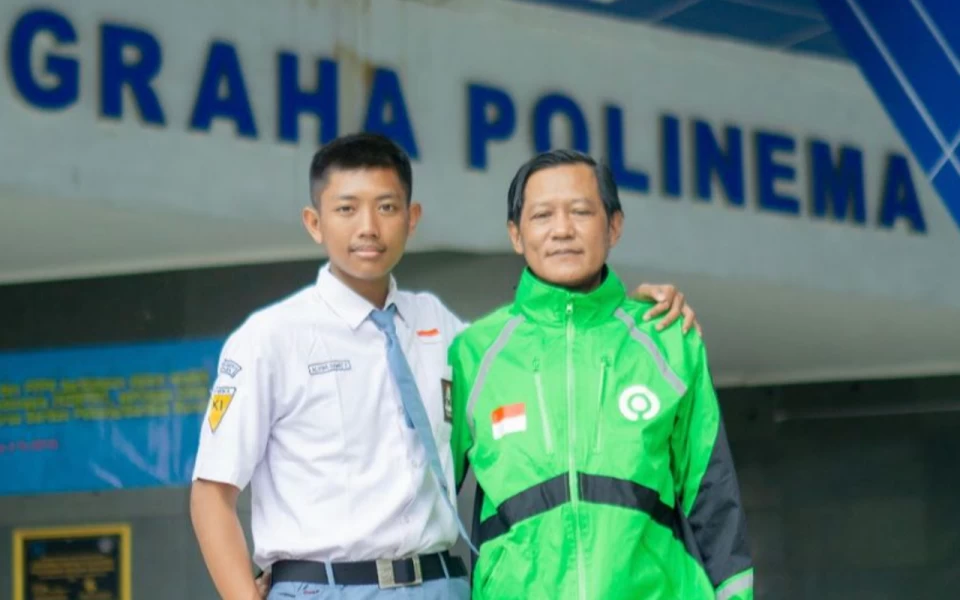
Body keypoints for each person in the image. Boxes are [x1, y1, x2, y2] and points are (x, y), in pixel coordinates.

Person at [189, 133, 703, 600]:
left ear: (411, 219)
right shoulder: (271, 338)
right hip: (326, 586)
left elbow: (533, 348)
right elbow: (212, 493)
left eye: (386, 207)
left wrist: (622, 315)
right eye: (346, 208)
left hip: (441, 585)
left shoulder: (444, 330)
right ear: (314, 223)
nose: (368, 227)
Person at [449, 149, 753, 600]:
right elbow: (422, 502)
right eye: (542, 215)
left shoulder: (668, 338)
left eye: (581, 212)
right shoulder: (472, 354)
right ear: (516, 234)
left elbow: (713, 495)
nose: (562, 230)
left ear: (614, 226)